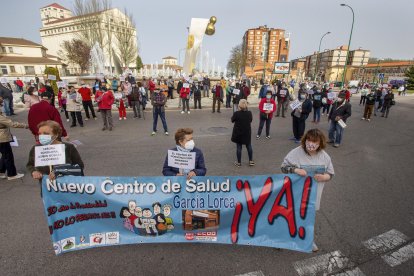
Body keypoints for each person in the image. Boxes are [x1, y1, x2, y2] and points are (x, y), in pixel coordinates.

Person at [281, 128, 334, 252]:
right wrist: (295, 170)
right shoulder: (296, 152)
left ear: (320, 143)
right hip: (295, 193)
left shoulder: (324, 156)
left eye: (314, 142)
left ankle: (308, 240)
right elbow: (283, 167)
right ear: (305, 140)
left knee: (308, 218)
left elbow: (330, 174)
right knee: (290, 215)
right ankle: (283, 238)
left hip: (313, 195)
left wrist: (324, 177)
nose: (311, 144)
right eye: (309, 140)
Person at [26, 120, 84, 193]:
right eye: (40, 134)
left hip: (69, 187)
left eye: (46, 133)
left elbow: (80, 166)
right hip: (48, 188)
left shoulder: (68, 147)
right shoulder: (36, 148)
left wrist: (59, 171)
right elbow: (30, 164)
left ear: (56, 134)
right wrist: (34, 172)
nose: (42, 136)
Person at [0, 96, 28, 180]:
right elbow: (12, 124)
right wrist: (25, 126)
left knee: (4, 155)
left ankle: (1, 171)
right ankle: (12, 174)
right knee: (8, 156)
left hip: (2, 136)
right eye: (0, 103)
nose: (2, 105)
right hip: (2, 137)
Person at [231, 99, 254, 167]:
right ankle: (251, 161)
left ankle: (239, 163)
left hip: (238, 132)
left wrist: (237, 111)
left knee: (239, 147)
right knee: (249, 146)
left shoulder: (236, 113)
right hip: (247, 132)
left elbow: (232, 120)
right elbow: (250, 120)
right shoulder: (249, 113)